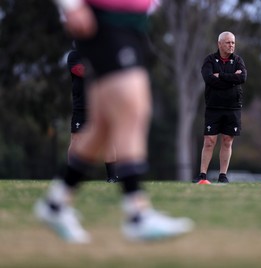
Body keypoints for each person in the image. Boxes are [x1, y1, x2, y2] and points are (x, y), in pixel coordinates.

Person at [34, 0, 193, 243]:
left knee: (102, 126)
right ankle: (137, 214)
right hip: (106, 19)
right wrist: (70, 5)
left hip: (132, 22)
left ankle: (56, 204)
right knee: (133, 110)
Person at [193, 31, 247, 184]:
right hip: (214, 107)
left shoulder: (238, 60)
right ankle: (202, 175)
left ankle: (223, 175)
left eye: (233, 43)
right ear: (219, 44)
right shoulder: (209, 60)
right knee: (209, 140)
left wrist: (221, 76)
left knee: (227, 140)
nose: (231, 45)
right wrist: (231, 78)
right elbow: (209, 79)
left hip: (233, 107)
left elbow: (242, 77)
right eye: (228, 42)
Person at [67, 45, 118, 183]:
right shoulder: (74, 55)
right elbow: (79, 71)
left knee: (108, 141)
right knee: (76, 140)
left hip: (101, 105)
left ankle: (112, 176)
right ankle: (70, 176)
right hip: (81, 107)